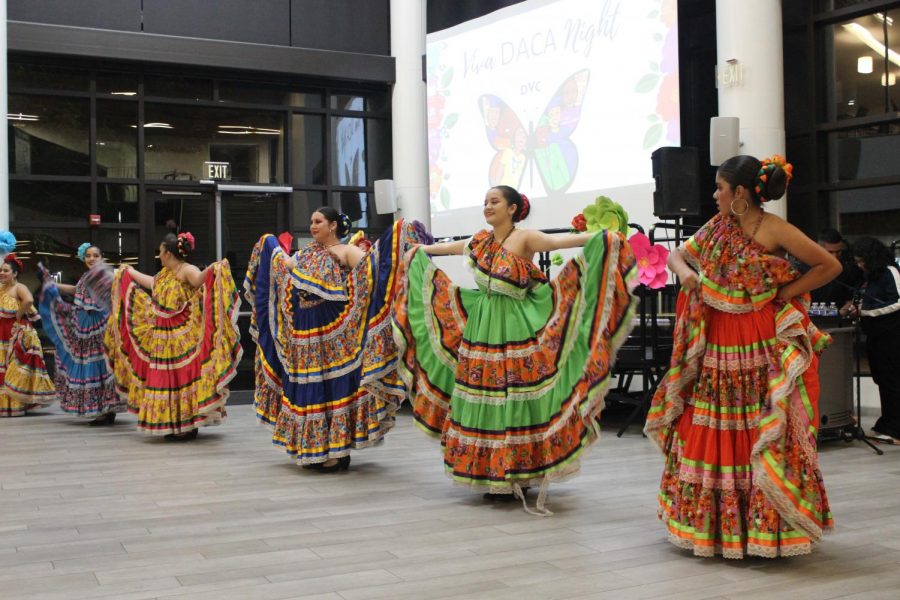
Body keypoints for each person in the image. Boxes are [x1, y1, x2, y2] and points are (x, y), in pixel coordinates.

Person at [392, 185, 637, 515]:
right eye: (485, 202)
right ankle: (491, 472)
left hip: (517, 325)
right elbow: (450, 248)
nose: (488, 207)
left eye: (494, 202)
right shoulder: (480, 240)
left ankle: (519, 472)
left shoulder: (525, 238)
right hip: (483, 325)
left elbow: (559, 242)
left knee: (515, 396)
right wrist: (421, 250)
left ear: (512, 208)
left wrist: (601, 238)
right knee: (486, 396)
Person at [645, 155, 842, 558]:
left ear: (739, 193)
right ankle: (716, 528)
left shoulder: (773, 228)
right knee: (714, 423)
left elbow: (828, 265)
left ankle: (765, 530)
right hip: (716, 343)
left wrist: (785, 294)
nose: (714, 194)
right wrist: (684, 271)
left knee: (757, 427)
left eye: (720, 187)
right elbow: (676, 255)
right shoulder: (718, 227)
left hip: (757, 342)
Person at [244, 208, 425, 472]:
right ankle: (315, 450)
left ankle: (337, 453)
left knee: (334, 389)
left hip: (334, 335)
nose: (312, 226)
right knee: (309, 389)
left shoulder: (346, 252)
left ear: (332, 225)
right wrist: (268, 244)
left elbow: (375, 271)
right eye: (311, 221)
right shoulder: (304, 255)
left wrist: (396, 241)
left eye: (318, 221)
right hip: (304, 334)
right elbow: (280, 268)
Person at [104, 232, 242, 439]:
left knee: (182, 379)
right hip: (163, 337)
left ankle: (187, 425)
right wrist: (130, 273)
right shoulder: (164, 274)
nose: (159, 256)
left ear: (168, 253)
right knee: (167, 381)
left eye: (160, 252)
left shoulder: (187, 270)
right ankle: (172, 423)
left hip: (182, 338)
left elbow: (198, 280)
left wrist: (214, 268)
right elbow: (152, 283)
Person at [38, 244, 124, 424]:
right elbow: (75, 290)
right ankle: (102, 409)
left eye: (95, 255)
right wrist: (52, 284)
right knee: (91, 365)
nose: (91, 259)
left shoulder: (108, 276)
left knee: (103, 365)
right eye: (88, 256)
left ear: (101, 258)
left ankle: (106, 410)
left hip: (100, 325)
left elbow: (117, 296)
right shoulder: (86, 277)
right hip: (85, 327)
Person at [846, 237, 900, 442]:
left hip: (893, 335)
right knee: (882, 379)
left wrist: (867, 312)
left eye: (862, 261)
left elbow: (897, 302)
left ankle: (896, 428)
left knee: (893, 380)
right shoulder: (870, 277)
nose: (860, 266)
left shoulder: (890, 272)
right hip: (876, 335)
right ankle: (887, 422)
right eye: (857, 262)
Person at [0, 253, 55, 417]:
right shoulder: (2, 288)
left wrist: (18, 315)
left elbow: (29, 301)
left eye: (6, 271)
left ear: (15, 273)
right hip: (2, 332)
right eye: (1, 270)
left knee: (14, 368)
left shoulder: (19, 287)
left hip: (15, 332)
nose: (2, 273)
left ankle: (16, 404)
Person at [810, 228, 863, 307]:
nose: (834, 257)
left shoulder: (848, 270)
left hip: (838, 316)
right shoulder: (805, 269)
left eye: (838, 252)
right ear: (818, 249)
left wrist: (845, 309)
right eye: (830, 252)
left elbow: (851, 299)